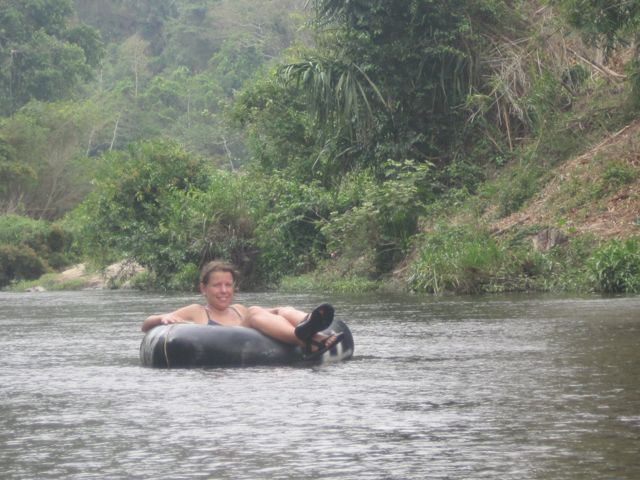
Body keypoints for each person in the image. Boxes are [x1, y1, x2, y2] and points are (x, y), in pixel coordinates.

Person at [141, 260, 344, 359]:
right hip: (226, 353)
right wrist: (162, 317)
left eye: (228, 285)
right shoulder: (197, 311)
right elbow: (146, 325)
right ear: (203, 288)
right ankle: (307, 340)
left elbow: (272, 314)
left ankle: (312, 325)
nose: (224, 291)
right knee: (255, 311)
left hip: (256, 341)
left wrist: (284, 311)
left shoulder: (238, 309)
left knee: (282, 310)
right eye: (217, 285)